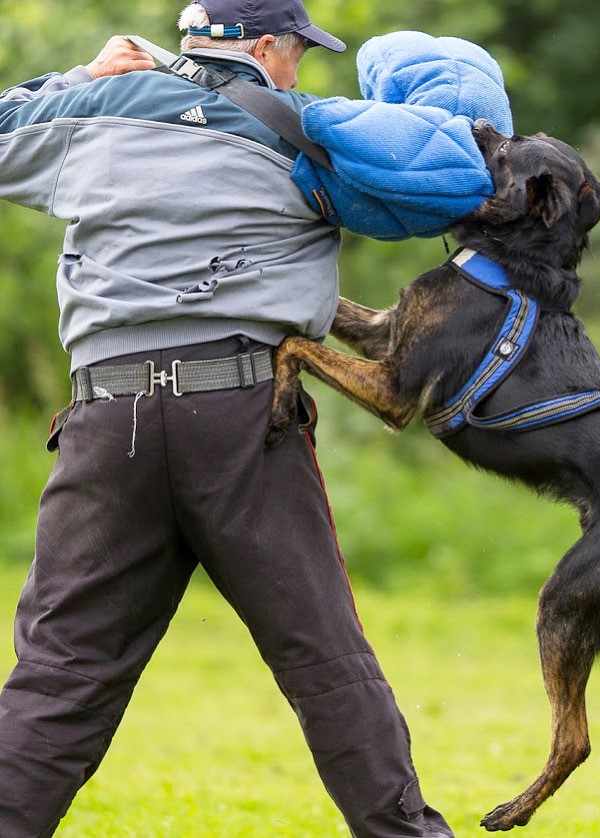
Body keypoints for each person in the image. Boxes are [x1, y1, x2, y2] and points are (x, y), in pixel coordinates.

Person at [0, 2, 454, 836]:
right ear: (268, 45)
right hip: (243, 412)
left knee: (61, 675)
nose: (297, 71)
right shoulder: (306, 130)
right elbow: (447, 181)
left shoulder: (91, 107)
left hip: (108, 420)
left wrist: (80, 76)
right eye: (296, 54)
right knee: (325, 660)